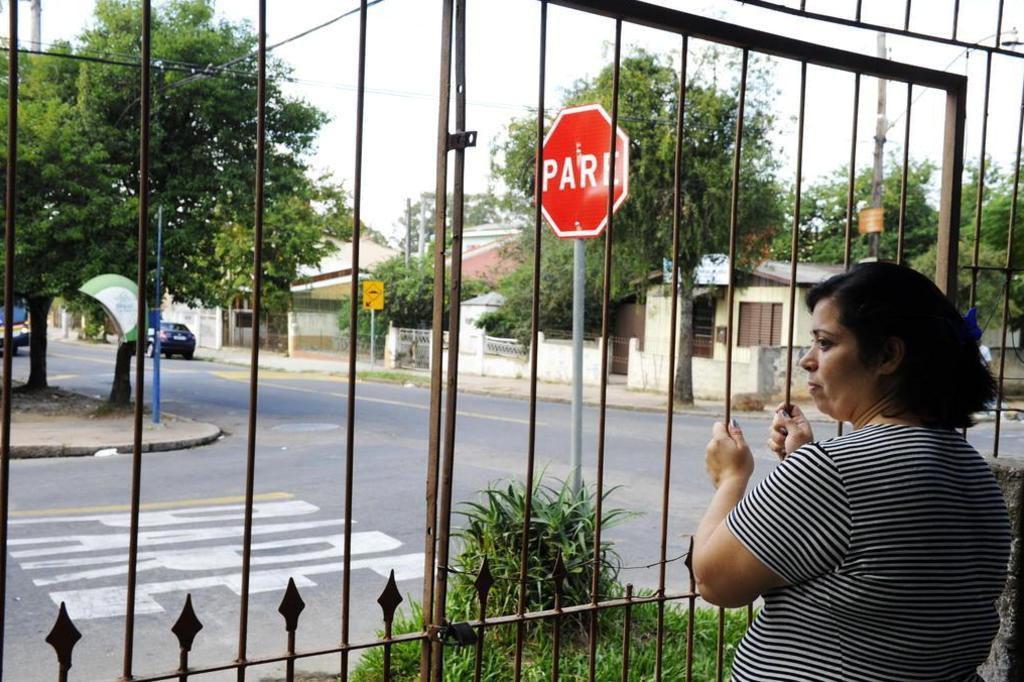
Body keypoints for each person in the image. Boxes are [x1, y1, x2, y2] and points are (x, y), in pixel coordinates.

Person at [692, 262, 1010, 681]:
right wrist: (805, 465)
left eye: (825, 343)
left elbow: (716, 582)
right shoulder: (970, 468)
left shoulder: (833, 469)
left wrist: (731, 478)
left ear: (888, 355)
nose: (806, 360)